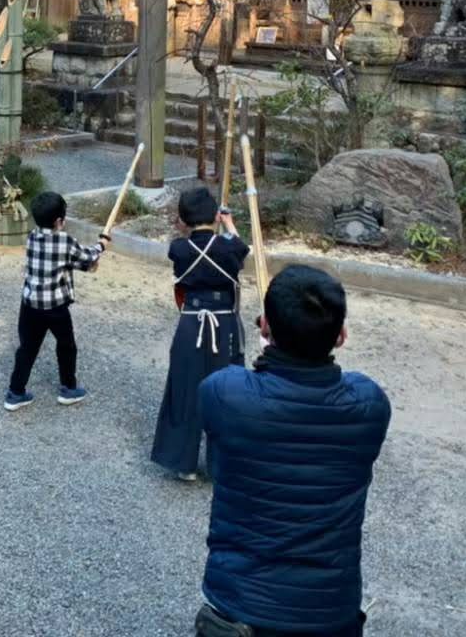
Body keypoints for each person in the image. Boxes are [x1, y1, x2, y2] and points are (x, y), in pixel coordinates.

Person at [194, 265, 391, 637]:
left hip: (241, 605)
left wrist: (270, 351)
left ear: (265, 327)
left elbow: (242, 383)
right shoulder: (369, 405)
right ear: (341, 335)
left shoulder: (224, 394)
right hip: (330, 610)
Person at [151, 187, 249, 481]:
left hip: (192, 322)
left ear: (183, 219)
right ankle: (224, 463)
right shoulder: (231, 248)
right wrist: (228, 225)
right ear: (215, 216)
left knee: (185, 388)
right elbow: (241, 248)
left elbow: (184, 245)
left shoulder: (179, 249)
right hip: (225, 324)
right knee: (228, 392)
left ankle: (184, 462)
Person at [3, 191, 107, 411]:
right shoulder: (65, 241)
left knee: (27, 349)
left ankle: (15, 392)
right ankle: (69, 388)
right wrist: (102, 245)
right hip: (56, 308)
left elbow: (64, 261)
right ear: (60, 221)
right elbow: (87, 257)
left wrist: (85, 265)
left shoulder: (31, 237)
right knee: (67, 345)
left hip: (30, 305)